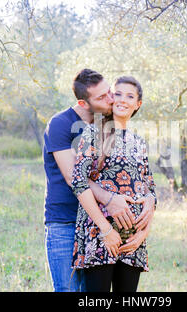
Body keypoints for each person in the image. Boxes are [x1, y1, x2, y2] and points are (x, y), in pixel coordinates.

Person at [43, 69, 156, 292]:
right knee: (68, 290)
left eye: (110, 92)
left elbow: (145, 182)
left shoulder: (126, 135)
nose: (112, 99)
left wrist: (149, 209)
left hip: (113, 229)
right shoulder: (62, 125)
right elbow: (73, 176)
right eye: (104, 97)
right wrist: (109, 201)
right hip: (67, 221)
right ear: (84, 103)